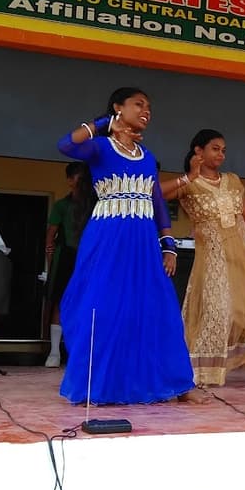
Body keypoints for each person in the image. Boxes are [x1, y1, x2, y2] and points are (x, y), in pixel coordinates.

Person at [55, 87, 202, 405]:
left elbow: (156, 200)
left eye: (149, 106)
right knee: (102, 307)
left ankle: (177, 383)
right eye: (139, 104)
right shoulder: (100, 148)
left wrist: (168, 245)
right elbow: (66, 144)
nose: (146, 110)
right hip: (108, 238)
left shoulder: (147, 157)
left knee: (157, 308)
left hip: (142, 242)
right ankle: (97, 384)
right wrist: (105, 123)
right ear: (118, 108)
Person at [161, 129, 245, 388]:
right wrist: (188, 176)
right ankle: (203, 371)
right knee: (216, 311)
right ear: (198, 151)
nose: (221, 155)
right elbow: (155, 196)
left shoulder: (233, 180)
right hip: (212, 257)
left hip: (244, 256)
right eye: (215, 148)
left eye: (223, 150)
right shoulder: (188, 185)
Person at [43, 161, 96, 368]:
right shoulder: (61, 206)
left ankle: (80, 352)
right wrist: (49, 268)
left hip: (90, 257)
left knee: (88, 302)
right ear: (69, 181)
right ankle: (54, 352)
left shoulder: (96, 205)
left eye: (84, 177)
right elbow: (50, 238)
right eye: (77, 177)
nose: (81, 181)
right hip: (65, 257)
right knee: (59, 300)